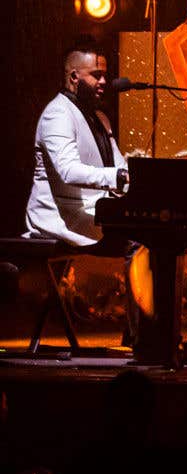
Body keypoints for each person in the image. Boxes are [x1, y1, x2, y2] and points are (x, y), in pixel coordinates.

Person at [24, 49, 153, 342]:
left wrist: (143, 180)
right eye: (96, 75)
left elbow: (118, 166)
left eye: (105, 74)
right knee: (140, 239)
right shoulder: (57, 114)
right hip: (62, 214)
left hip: (92, 208)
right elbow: (68, 171)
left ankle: (142, 334)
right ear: (73, 77)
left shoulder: (99, 118)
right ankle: (141, 338)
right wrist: (118, 178)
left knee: (154, 229)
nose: (104, 81)